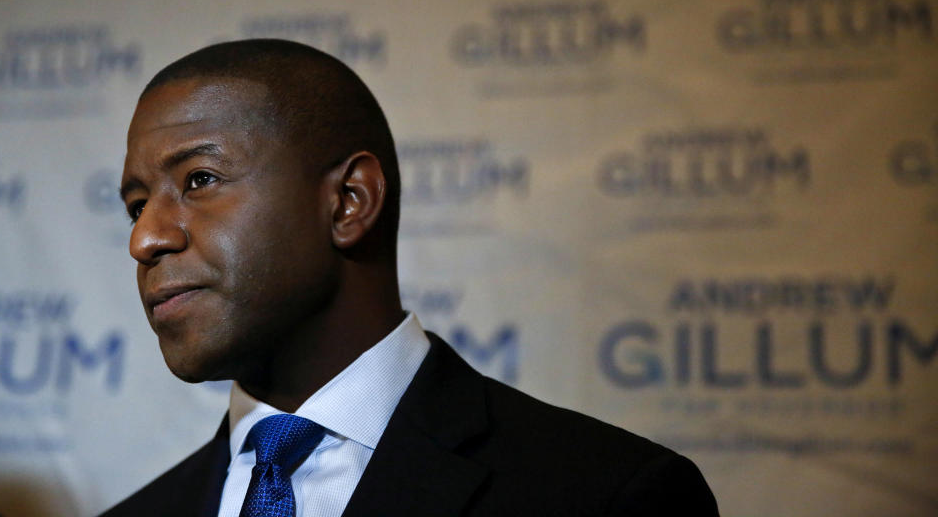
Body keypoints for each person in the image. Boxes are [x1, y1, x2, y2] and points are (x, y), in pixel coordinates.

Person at [102, 39, 718, 516]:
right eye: (136, 205)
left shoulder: (606, 496)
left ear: (348, 201)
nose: (145, 238)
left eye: (199, 180)